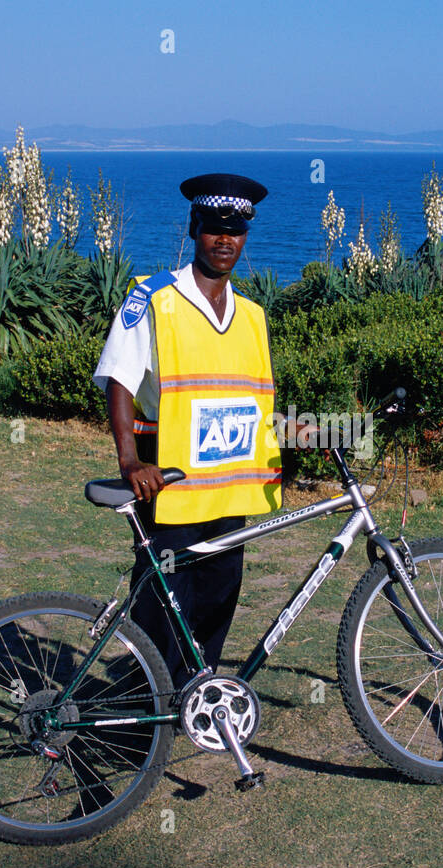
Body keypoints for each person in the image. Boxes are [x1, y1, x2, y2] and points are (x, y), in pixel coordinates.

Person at [92, 173, 283, 688]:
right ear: (195, 228)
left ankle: (188, 701)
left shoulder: (252, 316)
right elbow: (118, 378)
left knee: (218, 600)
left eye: (237, 229)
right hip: (169, 481)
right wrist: (130, 461)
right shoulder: (152, 298)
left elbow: (253, 399)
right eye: (215, 227)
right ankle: (131, 723)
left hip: (228, 487)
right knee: (160, 607)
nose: (226, 239)